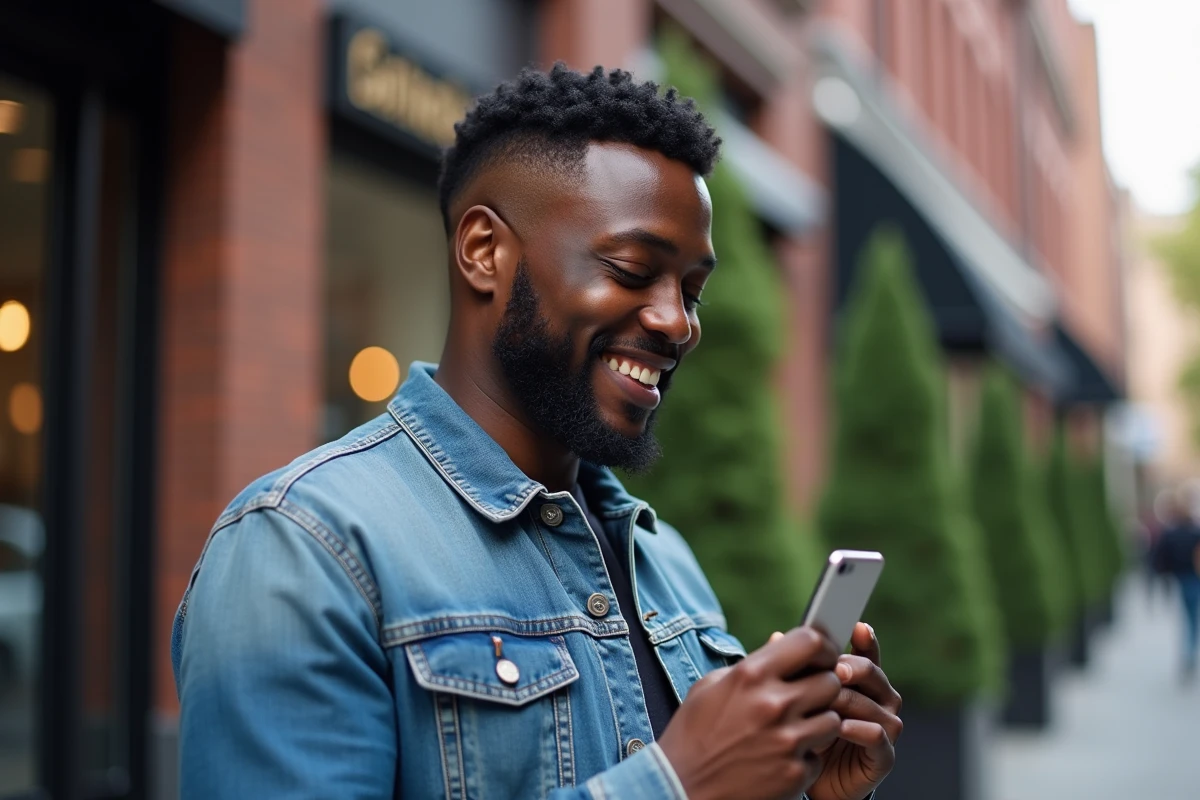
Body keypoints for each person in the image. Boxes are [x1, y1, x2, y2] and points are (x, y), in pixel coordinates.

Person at [172, 64, 902, 799]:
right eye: (630, 268)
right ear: (485, 251)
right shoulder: (303, 549)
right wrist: (676, 785)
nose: (677, 323)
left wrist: (811, 791)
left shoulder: (664, 561)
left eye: (691, 290)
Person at [1152, 487, 1200, 680]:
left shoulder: (1171, 533)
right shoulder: (1195, 531)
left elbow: (1160, 557)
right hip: (1194, 578)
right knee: (1192, 618)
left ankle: (1187, 653)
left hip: (1181, 578)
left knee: (1188, 618)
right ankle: (1189, 652)